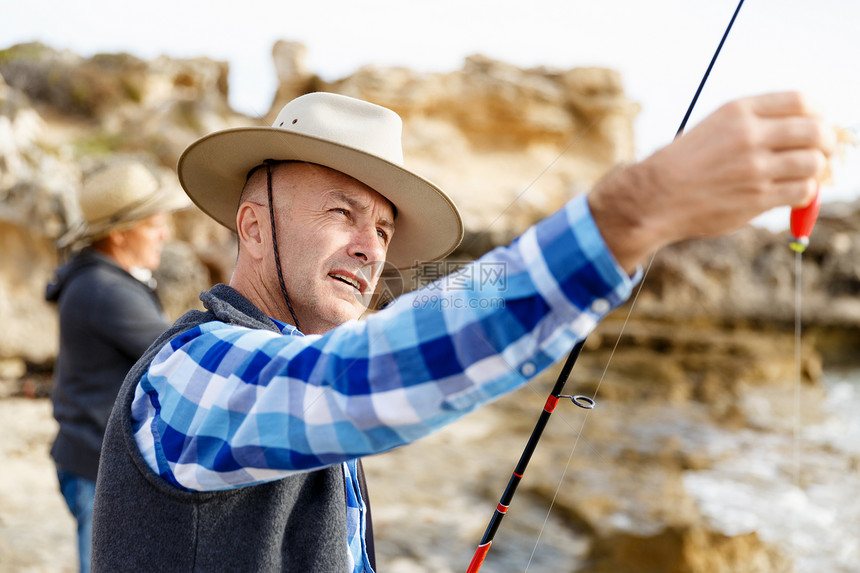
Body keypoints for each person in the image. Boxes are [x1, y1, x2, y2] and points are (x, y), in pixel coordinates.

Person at [91, 91, 835, 572]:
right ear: (252, 227)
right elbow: (364, 378)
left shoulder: (296, 370)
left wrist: (628, 249)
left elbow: (450, 299)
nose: (371, 247)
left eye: (383, 228)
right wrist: (629, 214)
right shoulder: (192, 372)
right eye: (342, 212)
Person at [46, 160, 191, 573]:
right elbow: (176, 354)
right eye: (152, 224)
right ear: (119, 232)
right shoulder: (105, 290)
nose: (164, 234)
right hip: (94, 465)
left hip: (85, 453)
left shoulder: (99, 279)